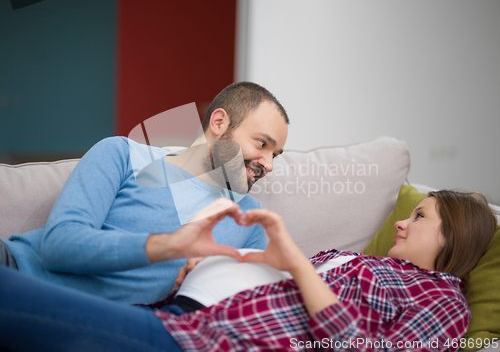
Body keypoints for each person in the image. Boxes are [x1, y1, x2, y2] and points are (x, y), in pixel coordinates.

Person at [0, 190, 496, 352]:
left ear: (453, 236)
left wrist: (295, 261)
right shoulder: (368, 263)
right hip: (189, 323)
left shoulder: (444, 306)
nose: (403, 223)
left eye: (420, 216)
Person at [0, 81, 289, 304]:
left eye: (276, 154)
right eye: (262, 144)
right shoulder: (122, 154)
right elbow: (59, 245)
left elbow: (251, 304)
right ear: (218, 123)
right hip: (15, 273)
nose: (269, 164)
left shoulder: (250, 218)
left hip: (98, 328)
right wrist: (171, 246)